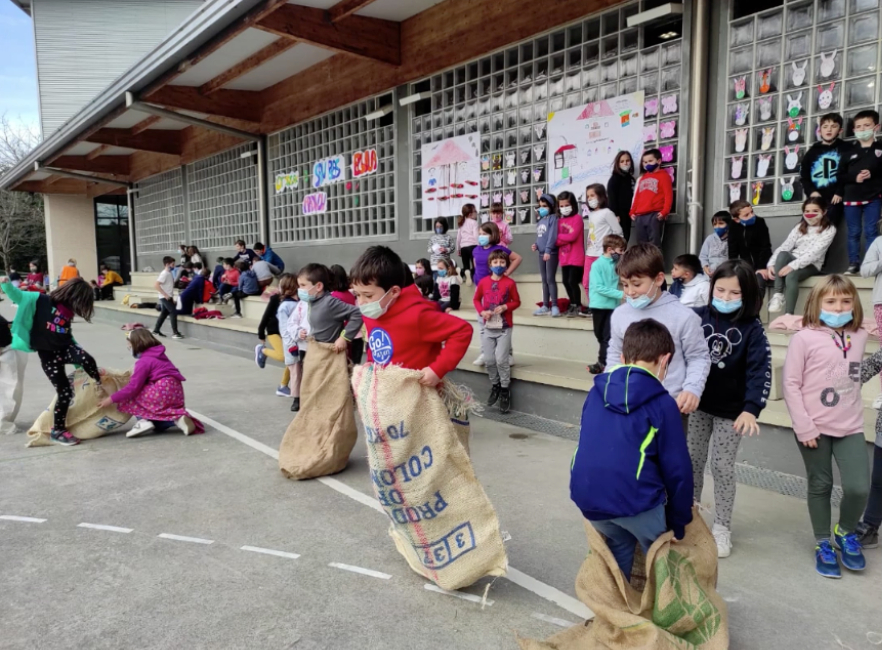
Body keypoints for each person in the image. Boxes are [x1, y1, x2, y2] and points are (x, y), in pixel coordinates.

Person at [570, 318, 694, 581]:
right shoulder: (663, 404)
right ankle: (663, 608)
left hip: (588, 498)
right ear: (665, 360)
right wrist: (678, 522)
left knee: (618, 545)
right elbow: (678, 471)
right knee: (660, 557)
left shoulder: (595, 392)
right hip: (637, 504)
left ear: (624, 357)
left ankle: (617, 608)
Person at [782, 275, 872, 578]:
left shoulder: (860, 334)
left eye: (846, 301)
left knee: (859, 487)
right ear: (817, 303)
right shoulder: (804, 338)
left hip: (851, 426)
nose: (839, 306)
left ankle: (845, 531)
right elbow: (791, 384)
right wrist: (804, 426)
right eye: (831, 301)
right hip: (813, 428)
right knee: (820, 485)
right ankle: (823, 542)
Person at [688, 260, 771, 558]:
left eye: (733, 293)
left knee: (721, 467)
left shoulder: (753, 330)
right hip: (697, 406)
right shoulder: (696, 317)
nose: (724, 297)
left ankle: (722, 527)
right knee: (691, 462)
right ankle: (690, 518)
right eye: (719, 290)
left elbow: (759, 371)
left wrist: (751, 408)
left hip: (731, 413)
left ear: (747, 295)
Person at [606, 243, 711, 431]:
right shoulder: (620, 315)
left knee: (668, 459)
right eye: (625, 284)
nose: (630, 291)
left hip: (670, 406)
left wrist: (692, 388)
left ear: (659, 279)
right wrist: (609, 386)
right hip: (629, 403)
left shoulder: (684, 316)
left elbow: (698, 357)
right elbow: (615, 354)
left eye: (637, 284)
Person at [349, 245, 472, 389]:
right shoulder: (372, 312)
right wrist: (370, 361)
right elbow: (376, 343)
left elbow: (462, 330)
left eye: (368, 295)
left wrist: (437, 370)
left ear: (394, 291)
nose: (361, 302)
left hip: (417, 395)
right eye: (357, 294)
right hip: (386, 391)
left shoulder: (417, 315)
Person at [1, 277, 102, 446]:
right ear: (70, 294)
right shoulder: (40, 300)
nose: (76, 308)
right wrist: (5, 283)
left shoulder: (66, 312)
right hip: (49, 356)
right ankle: (58, 430)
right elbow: (17, 295)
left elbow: (66, 336)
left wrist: (81, 366)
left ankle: (99, 383)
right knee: (65, 393)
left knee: (87, 358)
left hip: (65, 347)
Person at [98, 329, 199, 438]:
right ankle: (177, 420)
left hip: (161, 391)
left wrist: (111, 399)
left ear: (136, 344)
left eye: (129, 345)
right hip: (175, 393)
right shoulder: (159, 355)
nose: (129, 348)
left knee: (130, 393)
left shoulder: (144, 361)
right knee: (158, 425)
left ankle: (142, 421)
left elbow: (133, 388)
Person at [767, 196, 837, 315]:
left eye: (815, 211)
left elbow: (815, 253)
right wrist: (771, 264)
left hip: (812, 264)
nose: (810, 214)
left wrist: (792, 266)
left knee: (791, 275)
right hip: (793, 258)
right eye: (807, 211)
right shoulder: (799, 227)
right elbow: (785, 246)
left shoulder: (829, 229)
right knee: (783, 254)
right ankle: (778, 295)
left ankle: (789, 314)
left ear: (824, 212)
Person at [474, 250, 521, 413]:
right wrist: (482, 311)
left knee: (501, 359)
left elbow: (517, 301)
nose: (499, 265)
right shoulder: (483, 282)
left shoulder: (510, 283)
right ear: (490, 265)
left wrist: (506, 306)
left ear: (506, 264)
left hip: (504, 327)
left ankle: (505, 390)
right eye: (495, 263)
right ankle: (495, 385)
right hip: (488, 327)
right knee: (489, 359)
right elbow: (476, 299)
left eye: (502, 263)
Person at [471, 221, 523, 367]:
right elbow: (477, 266)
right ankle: (485, 352)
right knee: (483, 323)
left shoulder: (499, 249)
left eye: (484, 234)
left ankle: (508, 354)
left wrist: (507, 273)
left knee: (503, 323)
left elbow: (517, 258)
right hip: (482, 289)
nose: (481, 237)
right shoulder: (476, 250)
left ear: (492, 234)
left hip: (498, 289)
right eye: (480, 234)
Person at [841, 109, 882, 274]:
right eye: (859, 126)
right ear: (854, 130)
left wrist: (873, 173)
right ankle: (854, 263)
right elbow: (838, 175)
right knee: (854, 232)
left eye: (867, 125)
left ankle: (873, 263)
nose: (863, 129)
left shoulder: (880, 149)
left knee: (871, 230)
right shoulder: (848, 151)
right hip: (851, 197)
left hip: (874, 196)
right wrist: (854, 177)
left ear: (876, 127)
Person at [297, 263, 362, 357]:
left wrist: (344, 338)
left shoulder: (330, 302)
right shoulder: (313, 301)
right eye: (299, 285)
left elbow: (357, 314)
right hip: (317, 352)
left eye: (303, 285)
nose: (300, 289)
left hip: (329, 355)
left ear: (318, 286)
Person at [582, 183, 624, 316]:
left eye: (592, 195)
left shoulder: (607, 213)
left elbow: (618, 231)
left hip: (603, 255)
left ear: (601, 196)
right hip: (590, 253)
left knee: (607, 283)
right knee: (587, 282)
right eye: (588, 196)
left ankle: (608, 309)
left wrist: (616, 250)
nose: (590, 199)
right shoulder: (592, 214)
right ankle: (594, 306)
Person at [588, 234, 626, 375]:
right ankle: (606, 360)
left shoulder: (617, 264)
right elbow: (599, 287)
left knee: (607, 337)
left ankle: (602, 363)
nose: (622, 253)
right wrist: (621, 294)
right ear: (610, 249)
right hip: (598, 305)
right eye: (620, 250)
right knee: (599, 335)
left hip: (613, 307)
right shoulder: (597, 264)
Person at [255, 273, 294, 397]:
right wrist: (261, 333)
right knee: (284, 356)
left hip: (289, 334)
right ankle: (263, 351)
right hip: (274, 331)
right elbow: (266, 316)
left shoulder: (296, 300)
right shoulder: (275, 299)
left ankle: (283, 386)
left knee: (293, 359)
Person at [630, 149, 673, 247]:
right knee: (641, 246)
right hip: (639, 216)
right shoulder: (643, 178)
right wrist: (632, 211)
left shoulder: (664, 176)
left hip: (654, 215)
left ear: (659, 161)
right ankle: (643, 263)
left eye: (650, 161)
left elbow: (668, 195)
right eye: (645, 162)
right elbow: (637, 196)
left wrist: (664, 211)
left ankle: (655, 263)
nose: (647, 164)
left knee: (655, 246)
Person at [276, 274, 307, 412]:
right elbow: (285, 329)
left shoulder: (302, 303)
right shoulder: (285, 306)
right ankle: (297, 398)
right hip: (293, 345)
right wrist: (291, 345)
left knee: (304, 371)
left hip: (304, 343)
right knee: (296, 372)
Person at [727, 200, 773, 292]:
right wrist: (733, 270)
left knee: (759, 282)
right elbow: (733, 252)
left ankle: (756, 305)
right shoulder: (733, 227)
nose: (752, 216)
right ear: (736, 219)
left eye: (752, 212)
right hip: (745, 265)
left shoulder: (760, 222)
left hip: (762, 263)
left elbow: (765, 247)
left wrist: (762, 267)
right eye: (746, 215)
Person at [555, 190, 585, 317]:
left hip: (576, 257)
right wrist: (561, 238)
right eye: (561, 206)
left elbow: (572, 236)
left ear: (572, 205)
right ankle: (572, 304)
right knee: (565, 281)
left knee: (573, 281)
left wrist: (559, 237)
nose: (564, 208)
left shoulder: (577, 218)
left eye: (566, 205)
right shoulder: (559, 221)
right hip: (564, 258)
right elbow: (554, 240)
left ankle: (577, 305)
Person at [329, 264, 363, 364]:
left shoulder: (332, 297)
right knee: (355, 368)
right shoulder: (352, 294)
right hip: (357, 335)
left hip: (343, 337)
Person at [532, 193, 560, 317]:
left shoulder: (554, 218)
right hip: (541, 253)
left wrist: (548, 250)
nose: (541, 208)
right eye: (540, 206)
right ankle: (545, 305)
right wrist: (536, 245)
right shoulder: (540, 221)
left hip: (551, 253)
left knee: (550, 279)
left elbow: (552, 236)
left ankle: (554, 305)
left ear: (551, 206)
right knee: (544, 280)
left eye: (544, 206)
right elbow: (541, 236)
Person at [0, 313, 27, 435]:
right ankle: (4, 420)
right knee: (10, 387)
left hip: (6, 350)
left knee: (10, 388)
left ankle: (4, 419)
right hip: (6, 349)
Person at [607, 150, 636, 246]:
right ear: (617, 163)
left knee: (625, 238)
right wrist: (615, 214)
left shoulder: (630, 179)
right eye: (622, 161)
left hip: (628, 214)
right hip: (619, 215)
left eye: (627, 161)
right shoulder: (614, 179)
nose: (625, 163)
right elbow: (612, 198)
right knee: (619, 241)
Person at [152, 256, 184, 340]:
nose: (174, 265)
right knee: (173, 312)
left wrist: (171, 297)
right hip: (165, 297)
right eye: (172, 264)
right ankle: (175, 332)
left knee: (164, 313)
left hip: (168, 297)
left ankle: (156, 330)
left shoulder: (169, 273)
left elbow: (169, 287)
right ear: (167, 264)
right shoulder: (164, 274)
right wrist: (166, 295)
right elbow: (156, 285)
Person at [700, 212, 730, 276]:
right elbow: (703, 256)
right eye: (715, 224)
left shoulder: (732, 240)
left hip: (727, 274)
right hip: (710, 275)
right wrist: (705, 268)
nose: (717, 226)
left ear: (728, 225)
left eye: (721, 223)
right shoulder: (710, 239)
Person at [456, 203, 480, 285]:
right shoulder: (474, 222)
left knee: (466, 265)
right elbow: (476, 235)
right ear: (470, 214)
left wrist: (458, 248)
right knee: (475, 264)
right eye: (475, 211)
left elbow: (458, 238)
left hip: (463, 247)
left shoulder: (461, 223)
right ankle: (473, 278)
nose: (476, 212)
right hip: (473, 246)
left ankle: (463, 274)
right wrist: (479, 246)